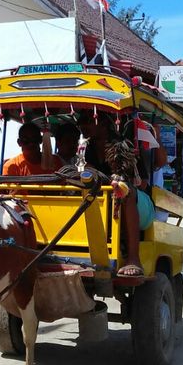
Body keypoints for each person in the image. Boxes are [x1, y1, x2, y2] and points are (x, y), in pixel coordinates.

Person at [78, 114, 147, 277]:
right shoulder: (85, 149)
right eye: (80, 123)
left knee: (125, 193)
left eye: (87, 122)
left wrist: (116, 184)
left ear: (101, 122)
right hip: (101, 197)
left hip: (136, 202)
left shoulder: (124, 146)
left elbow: (142, 182)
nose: (82, 127)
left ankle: (133, 258)